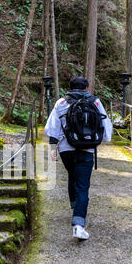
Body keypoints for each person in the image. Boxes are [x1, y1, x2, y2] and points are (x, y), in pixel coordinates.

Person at [44, 76, 113, 240]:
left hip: (66, 148)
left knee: (72, 175)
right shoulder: (95, 102)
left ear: (70, 87)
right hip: (87, 148)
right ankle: (78, 224)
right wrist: (103, 140)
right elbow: (105, 125)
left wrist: (53, 148)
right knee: (82, 184)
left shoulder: (61, 103)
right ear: (86, 87)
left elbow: (51, 127)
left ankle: (75, 207)